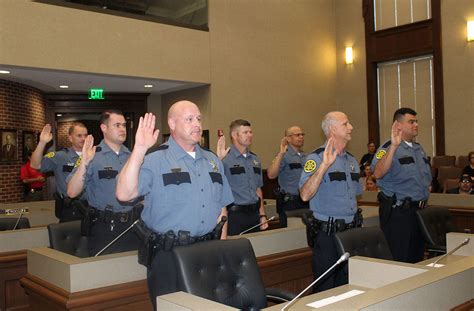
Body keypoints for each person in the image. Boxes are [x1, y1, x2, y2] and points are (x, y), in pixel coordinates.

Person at [115, 101, 233, 309]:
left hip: (207, 250)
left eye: (198, 119)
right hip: (168, 255)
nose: (196, 124)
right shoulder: (154, 159)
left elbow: (222, 208)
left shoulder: (212, 160)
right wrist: (140, 149)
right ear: (172, 123)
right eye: (189, 119)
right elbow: (124, 194)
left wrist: (220, 249)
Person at [299, 111, 362, 292]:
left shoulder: (351, 160)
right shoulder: (316, 158)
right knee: (325, 290)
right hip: (328, 235)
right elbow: (304, 194)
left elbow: (356, 193)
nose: (351, 127)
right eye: (345, 124)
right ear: (333, 129)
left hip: (350, 234)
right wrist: (324, 166)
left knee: (347, 288)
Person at [67, 110, 141, 256]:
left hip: (134, 225)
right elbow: (71, 192)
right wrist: (84, 163)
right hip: (106, 227)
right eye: (117, 125)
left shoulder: (133, 156)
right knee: (106, 275)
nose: (122, 129)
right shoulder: (92, 155)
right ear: (104, 128)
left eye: (124, 125)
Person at [372, 107, 432, 263]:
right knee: (400, 259)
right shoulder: (387, 148)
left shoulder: (419, 149)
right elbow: (377, 173)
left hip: (419, 211)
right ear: (398, 125)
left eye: (416, 121)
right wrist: (393, 147)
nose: (416, 125)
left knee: (417, 259)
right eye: (411, 122)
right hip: (399, 213)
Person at [218, 119, 268, 235]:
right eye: (245, 132)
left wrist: (262, 215)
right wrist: (218, 160)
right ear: (235, 135)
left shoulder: (255, 160)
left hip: (254, 214)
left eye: (250, 132)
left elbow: (258, 190)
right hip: (235, 216)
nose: (250, 135)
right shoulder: (225, 159)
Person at [31, 123, 88, 222]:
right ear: (70, 138)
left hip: (91, 208)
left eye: (85, 135)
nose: (83, 138)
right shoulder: (60, 156)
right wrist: (42, 142)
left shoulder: (95, 156)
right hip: (70, 209)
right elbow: (35, 165)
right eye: (79, 135)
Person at [266, 126, 308, 227]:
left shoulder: (306, 156)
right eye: (297, 135)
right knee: (290, 235)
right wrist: (281, 153)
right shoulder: (283, 155)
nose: (301, 137)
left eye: (302, 134)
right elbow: (271, 175)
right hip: (290, 203)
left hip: (306, 201)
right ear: (288, 139)